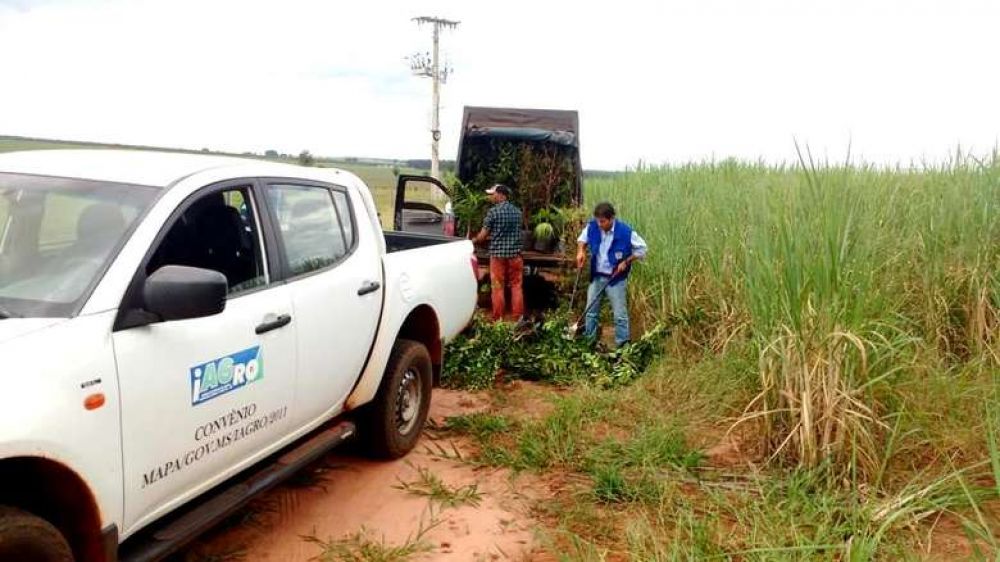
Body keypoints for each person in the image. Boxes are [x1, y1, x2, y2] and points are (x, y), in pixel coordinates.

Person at [575, 202, 648, 347]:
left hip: (616, 279)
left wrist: (626, 261)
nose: (599, 224)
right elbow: (582, 239)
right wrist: (581, 251)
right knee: (590, 311)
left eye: (603, 221)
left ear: (611, 219)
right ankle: (590, 343)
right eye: (598, 221)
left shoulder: (626, 232)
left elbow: (643, 249)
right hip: (597, 276)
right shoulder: (593, 227)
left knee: (620, 315)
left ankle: (622, 346)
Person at [473, 184, 524, 322]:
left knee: (497, 286)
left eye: (493, 194)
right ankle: (518, 318)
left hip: (497, 256)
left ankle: (498, 318)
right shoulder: (517, 212)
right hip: (515, 255)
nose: (491, 196)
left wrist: (474, 240)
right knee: (516, 286)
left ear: (501, 195)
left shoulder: (493, 212)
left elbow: (483, 236)